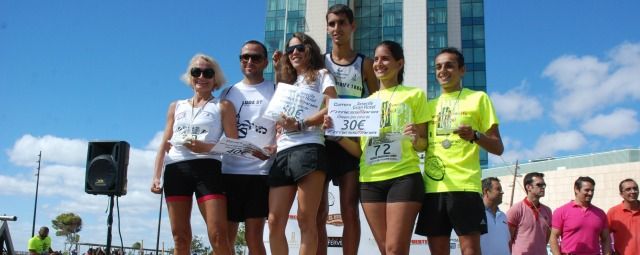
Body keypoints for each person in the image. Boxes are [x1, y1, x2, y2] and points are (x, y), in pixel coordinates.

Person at [325, 40, 429, 255]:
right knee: (385, 250)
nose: (379, 63)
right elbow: (360, 151)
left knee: (394, 249)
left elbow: (423, 145)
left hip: (404, 177)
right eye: (377, 59)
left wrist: (416, 138)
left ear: (399, 64)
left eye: (386, 58)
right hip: (370, 182)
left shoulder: (414, 95)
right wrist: (337, 137)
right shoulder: (366, 102)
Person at [415, 47, 504, 255]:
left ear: (462, 70)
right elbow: (422, 145)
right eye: (438, 67)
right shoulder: (429, 106)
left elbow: (498, 147)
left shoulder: (479, 98)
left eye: (449, 66)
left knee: (470, 250)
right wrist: (413, 137)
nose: (442, 71)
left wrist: (475, 135)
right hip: (433, 188)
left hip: (465, 186)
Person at [150, 53, 238, 255]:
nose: (202, 77)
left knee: (218, 235)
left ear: (216, 79)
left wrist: (206, 148)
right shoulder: (176, 106)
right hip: (175, 168)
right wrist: (156, 176)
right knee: (180, 237)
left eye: (208, 73)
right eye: (196, 72)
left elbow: (234, 144)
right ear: (190, 76)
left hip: (208, 168)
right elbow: (164, 143)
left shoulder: (223, 106)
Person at [268, 32, 338, 255]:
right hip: (283, 152)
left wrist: (301, 123)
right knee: (274, 221)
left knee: (306, 220)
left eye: (299, 48)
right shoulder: (286, 82)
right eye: (290, 50)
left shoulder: (321, 75)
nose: (294, 53)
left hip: (309, 148)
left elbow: (333, 104)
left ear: (309, 50)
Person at [316, 4, 378, 255]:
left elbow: (377, 102)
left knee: (349, 211)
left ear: (353, 26)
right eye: (332, 23)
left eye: (342, 22)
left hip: (350, 144)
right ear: (327, 28)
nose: (336, 28)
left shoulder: (365, 64)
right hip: (320, 142)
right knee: (319, 212)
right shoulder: (319, 63)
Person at [220, 40, 275, 255]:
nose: (249, 61)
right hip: (229, 171)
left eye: (256, 57)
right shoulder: (227, 93)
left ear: (265, 62)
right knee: (225, 238)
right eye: (245, 57)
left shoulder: (275, 88)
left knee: (254, 238)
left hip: (260, 173)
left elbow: (282, 127)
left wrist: (277, 146)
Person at [549, 176, 611, 255]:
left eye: (592, 190)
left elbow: (606, 238)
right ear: (576, 189)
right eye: (587, 190)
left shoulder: (600, 213)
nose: (590, 193)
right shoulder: (561, 211)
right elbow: (553, 236)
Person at [506, 172, 552, 255]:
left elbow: (546, 238)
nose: (543, 187)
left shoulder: (547, 211)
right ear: (528, 187)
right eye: (539, 185)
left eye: (544, 185)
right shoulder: (516, 209)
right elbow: (507, 239)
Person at [607, 178, 639, 255]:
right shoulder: (613, 212)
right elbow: (604, 237)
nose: (633, 191)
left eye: (635, 188)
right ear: (621, 194)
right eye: (628, 189)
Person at [479, 177, 509, 255]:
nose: (502, 192)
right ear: (486, 191)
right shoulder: (475, 214)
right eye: (498, 189)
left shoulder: (503, 216)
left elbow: (508, 242)